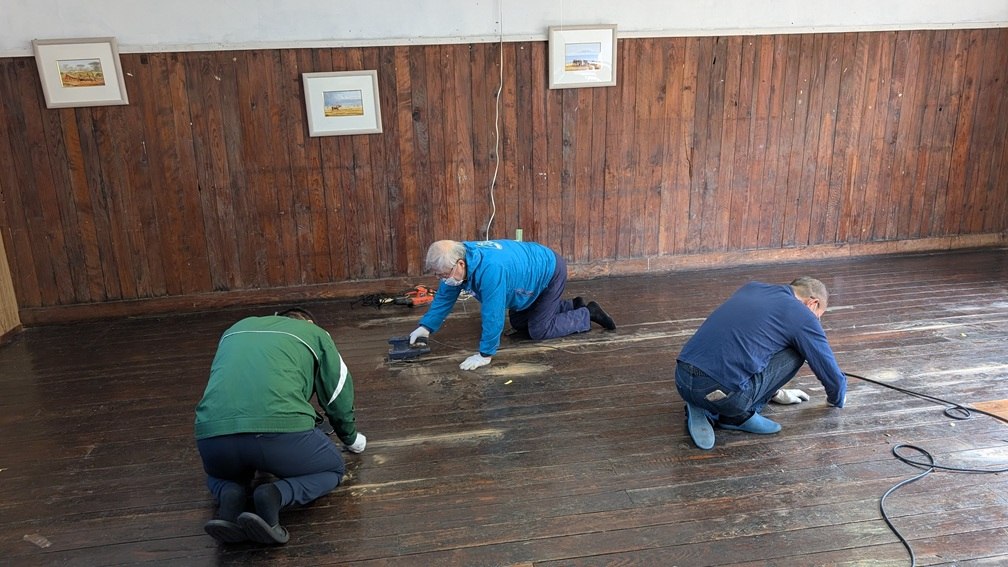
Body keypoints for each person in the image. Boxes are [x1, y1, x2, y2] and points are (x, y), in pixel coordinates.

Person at [194, 307, 366, 545]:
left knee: (217, 476)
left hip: (213, 436)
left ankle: (229, 493)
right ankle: (274, 495)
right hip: (281, 434)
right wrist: (351, 438)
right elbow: (337, 392)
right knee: (333, 469)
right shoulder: (315, 333)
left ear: (276, 318)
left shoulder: (235, 329)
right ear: (308, 323)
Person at [675, 277, 847, 450]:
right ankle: (737, 416)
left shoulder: (752, 287)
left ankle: (699, 404)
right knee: (798, 351)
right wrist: (837, 399)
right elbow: (828, 370)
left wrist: (774, 392)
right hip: (725, 396)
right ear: (813, 303)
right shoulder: (803, 314)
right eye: (818, 316)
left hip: (682, 378)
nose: (816, 321)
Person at [409, 239, 616, 370]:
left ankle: (587, 313)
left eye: (443, 275)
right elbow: (444, 297)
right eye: (438, 275)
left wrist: (485, 354)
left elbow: (493, 313)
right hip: (530, 271)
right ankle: (571, 305)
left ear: (460, 264)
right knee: (518, 322)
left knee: (539, 330)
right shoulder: (457, 257)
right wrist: (425, 327)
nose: (442, 279)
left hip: (549, 271)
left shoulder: (490, 270)